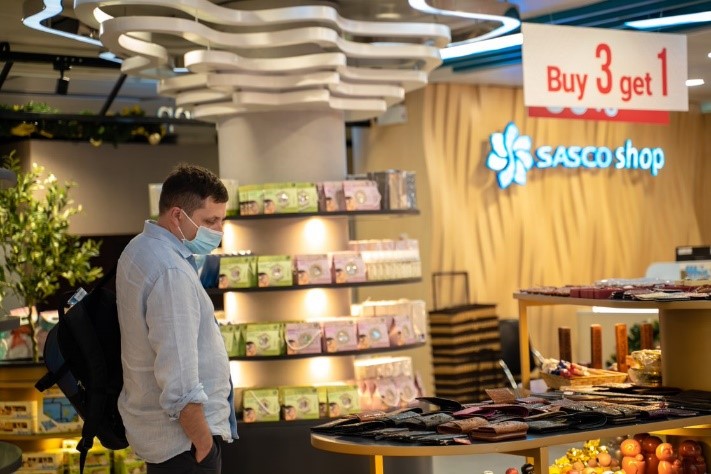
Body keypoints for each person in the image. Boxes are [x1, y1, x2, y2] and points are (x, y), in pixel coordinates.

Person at [116, 164, 238, 473]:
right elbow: (180, 380)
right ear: (177, 215)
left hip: (164, 440)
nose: (219, 231)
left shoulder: (138, 248)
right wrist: (204, 445)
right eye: (210, 221)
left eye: (222, 220)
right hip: (185, 445)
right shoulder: (171, 272)